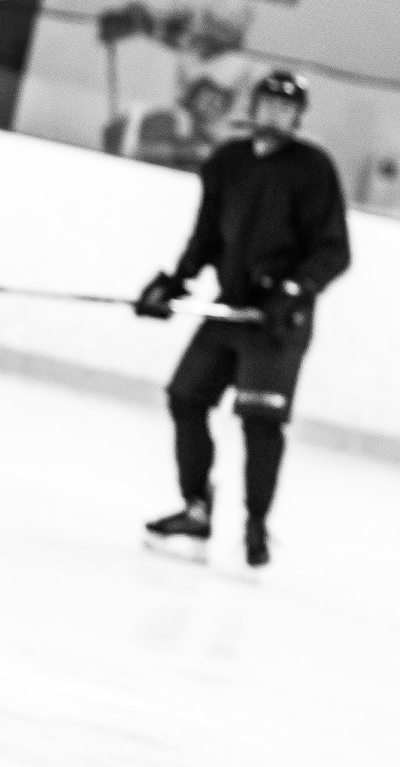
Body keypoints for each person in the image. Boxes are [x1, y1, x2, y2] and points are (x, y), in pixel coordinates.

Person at [134, 68, 349, 568]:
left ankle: (255, 525)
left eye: (287, 107)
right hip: (232, 308)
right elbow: (207, 235)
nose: (276, 113)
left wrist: (294, 290)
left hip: (277, 322)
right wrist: (175, 281)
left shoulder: (313, 168)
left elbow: (334, 251)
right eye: (269, 103)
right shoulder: (228, 162)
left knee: (260, 419)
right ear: (253, 107)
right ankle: (196, 508)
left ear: (298, 117)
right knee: (186, 397)